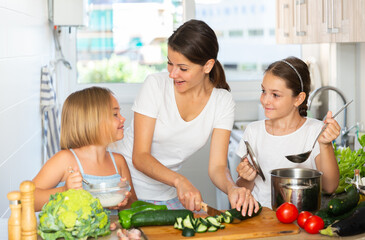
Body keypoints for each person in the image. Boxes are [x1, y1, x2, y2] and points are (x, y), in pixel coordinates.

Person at [111, 19, 259, 216]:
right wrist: (180, 181)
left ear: (207, 66)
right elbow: (140, 157)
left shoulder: (222, 101)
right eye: (169, 63)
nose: (172, 74)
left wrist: (232, 188)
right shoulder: (155, 85)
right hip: (119, 182)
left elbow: (217, 166)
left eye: (183, 68)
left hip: (164, 190)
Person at [235, 56, 340, 208]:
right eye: (263, 91)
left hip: (301, 218)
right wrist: (246, 178)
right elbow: (242, 187)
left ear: (298, 99)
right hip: (260, 217)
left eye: (275, 95)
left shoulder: (315, 131)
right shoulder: (253, 132)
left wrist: (325, 145)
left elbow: (330, 187)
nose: (265, 100)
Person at [33, 87, 137, 212]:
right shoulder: (65, 160)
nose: (123, 118)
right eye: (115, 114)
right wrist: (64, 190)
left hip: (112, 231)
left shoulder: (118, 162)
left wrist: (124, 201)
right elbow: (28, 199)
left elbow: (134, 205)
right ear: (92, 121)